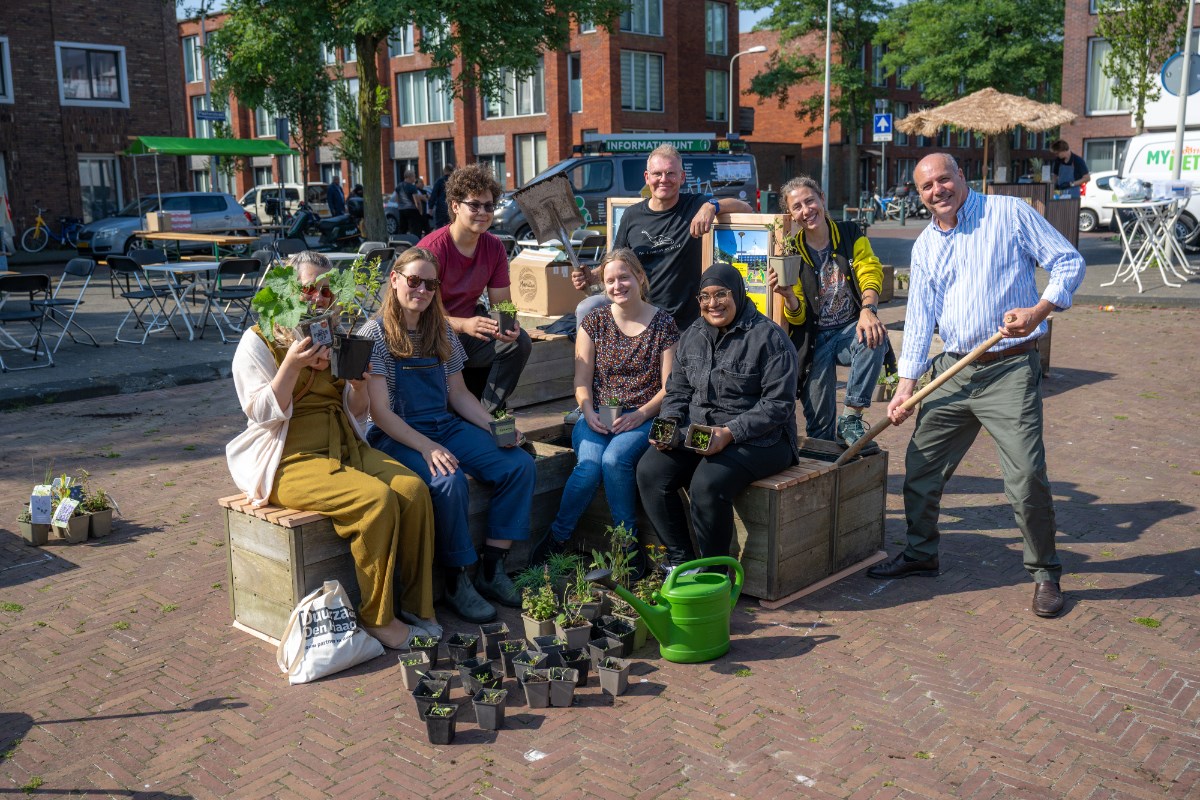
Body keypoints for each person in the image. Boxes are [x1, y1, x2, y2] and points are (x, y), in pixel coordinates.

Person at [867, 153, 1086, 620]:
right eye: (926, 187)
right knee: (921, 469)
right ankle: (921, 554)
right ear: (919, 194)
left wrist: (1037, 311)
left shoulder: (1007, 213)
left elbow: (1068, 263)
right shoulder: (925, 244)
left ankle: (1045, 573)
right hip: (953, 368)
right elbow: (922, 318)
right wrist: (906, 386)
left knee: (1025, 476)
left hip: (1009, 368)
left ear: (961, 177)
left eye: (944, 179)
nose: (937, 191)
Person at [226, 250, 438, 648]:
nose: (319, 298)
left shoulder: (336, 336)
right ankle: (378, 618)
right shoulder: (257, 341)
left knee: (412, 491)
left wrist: (358, 387)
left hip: (342, 444)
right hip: (288, 456)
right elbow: (258, 413)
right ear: (288, 290)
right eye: (309, 289)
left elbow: (358, 413)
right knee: (375, 501)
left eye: (326, 291)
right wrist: (291, 365)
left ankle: (415, 603)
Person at [361, 247, 535, 623]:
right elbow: (380, 413)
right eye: (413, 281)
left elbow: (458, 394)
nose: (421, 290)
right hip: (396, 433)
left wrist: (494, 426)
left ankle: (493, 569)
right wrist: (427, 447)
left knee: (518, 464)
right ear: (394, 280)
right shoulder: (374, 335)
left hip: (444, 423)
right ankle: (457, 580)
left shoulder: (439, 329)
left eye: (430, 284)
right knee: (447, 480)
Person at [635, 262, 798, 569]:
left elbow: (778, 405)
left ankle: (715, 575)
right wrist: (669, 424)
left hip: (764, 440)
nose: (713, 303)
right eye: (705, 296)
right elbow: (678, 391)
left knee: (706, 485)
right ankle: (682, 563)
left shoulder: (769, 338)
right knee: (650, 472)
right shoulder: (693, 335)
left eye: (721, 294)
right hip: (703, 433)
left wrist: (729, 433)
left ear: (737, 293)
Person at [531, 249, 679, 568]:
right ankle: (558, 538)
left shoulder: (663, 323)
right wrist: (587, 411)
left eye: (624, 277)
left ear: (640, 277)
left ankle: (627, 547)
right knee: (589, 466)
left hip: (642, 414)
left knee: (614, 460)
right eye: (609, 280)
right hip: (599, 411)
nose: (617, 285)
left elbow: (669, 388)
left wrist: (640, 415)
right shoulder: (594, 321)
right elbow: (581, 381)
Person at [571, 144, 753, 332]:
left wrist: (711, 207)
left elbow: (746, 208)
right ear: (647, 177)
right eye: (657, 174)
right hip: (640, 313)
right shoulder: (631, 216)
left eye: (670, 173)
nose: (663, 180)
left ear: (682, 177)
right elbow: (616, 263)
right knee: (587, 307)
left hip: (683, 321)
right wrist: (592, 276)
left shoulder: (695, 206)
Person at [767, 175, 888, 448]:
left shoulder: (849, 233)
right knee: (820, 429)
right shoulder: (791, 250)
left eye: (810, 201)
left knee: (875, 335)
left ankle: (853, 417)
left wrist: (868, 309)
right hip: (814, 340)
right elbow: (797, 317)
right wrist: (788, 298)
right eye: (797, 206)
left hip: (848, 330)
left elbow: (870, 270)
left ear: (822, 198)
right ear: (791, 214)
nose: (806, 210)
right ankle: (825, 478)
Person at [418, 163, 532, 414]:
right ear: (455, 206)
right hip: (429, 335)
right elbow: (423, 314)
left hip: (467, 333)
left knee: (519, 342)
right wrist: (465, 325)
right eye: (474, 205)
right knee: (450, 340)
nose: (483, 212)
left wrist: (508, 325)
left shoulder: (494, 247)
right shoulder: (433, 250)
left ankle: (487, 414)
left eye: (489, 205)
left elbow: (502, 304)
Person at [395, 169, 423, 236]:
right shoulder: (412, 187)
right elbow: (417, 201)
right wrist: (420, 211)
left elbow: (396, 199)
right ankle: (415, 243)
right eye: (414, 176)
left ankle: (402, 243)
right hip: (412, 209)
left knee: (403, 229)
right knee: (415, 229)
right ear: (410, 177)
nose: (415, 178)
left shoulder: (399, 186)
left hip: (402, 210)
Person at [429, 164, 454, 229]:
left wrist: (430, 207)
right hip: (453, 206)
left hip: (441, 207)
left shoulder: (440, 181)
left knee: (439, 227)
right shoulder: (455, 181)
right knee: (452, 226)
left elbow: (433, 194)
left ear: (444, 171)